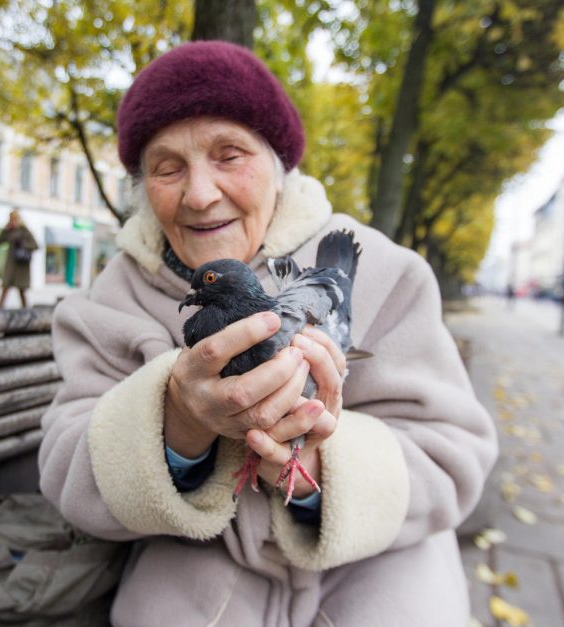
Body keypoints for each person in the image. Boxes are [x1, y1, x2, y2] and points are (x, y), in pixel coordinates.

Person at [38, 41, 497, 626]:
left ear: (281, 168)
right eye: (167, 167)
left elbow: (454, 454)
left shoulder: (384, 270)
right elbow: (63, 469)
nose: (200, 194)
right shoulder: (108, 300)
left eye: (230, 154)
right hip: (196, 571)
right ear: (143, 189)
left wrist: (318, 471)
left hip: (379, 565)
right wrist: (177, 420)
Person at [0, 209, 38, 309]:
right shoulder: (9, 231)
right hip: (11, 263)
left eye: (14, 219)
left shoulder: (24, 231)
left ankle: (25, 310)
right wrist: (5, 229)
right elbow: (0, 241)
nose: (12, 221)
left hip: (21, 265)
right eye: (11, 219)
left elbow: (35, 245)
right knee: (5, 286)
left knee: (21, 289)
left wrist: (24, 244)